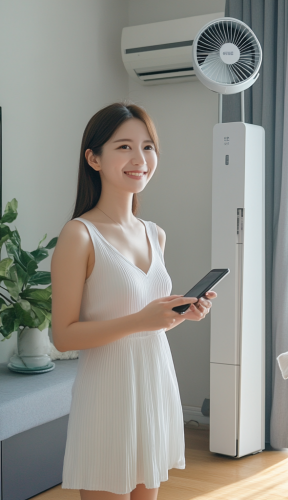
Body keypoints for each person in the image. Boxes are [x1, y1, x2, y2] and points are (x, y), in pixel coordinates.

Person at [50, 102, 216, 500]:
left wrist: (176, 316)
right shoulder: (79, 235)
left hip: (155, 382)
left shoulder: (154, 234)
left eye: (148, 147)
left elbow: (146, 318)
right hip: (109, 394)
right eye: (123, 147)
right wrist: (142, 320)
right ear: (93, 158)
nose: (139, 159)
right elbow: (64, 336)